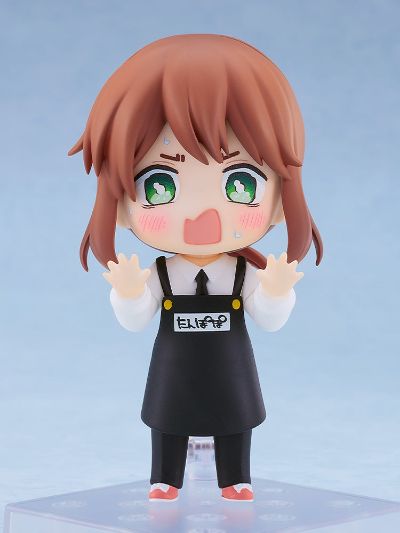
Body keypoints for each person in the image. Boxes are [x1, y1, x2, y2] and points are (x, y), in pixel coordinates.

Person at [69, 34, 323, 502]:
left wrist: (276, 291)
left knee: (236, 418)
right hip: (173, 370)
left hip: (231, 369)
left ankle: (236, 478)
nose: (200, 216)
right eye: (159, 186)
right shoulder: (160, 276)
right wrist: (129, 292)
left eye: (241, 183)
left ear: (280, 198)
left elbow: (269, 320)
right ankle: (165, 477)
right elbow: (134, 321)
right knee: (168, 419)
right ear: (119, 202)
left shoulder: (244, 276)